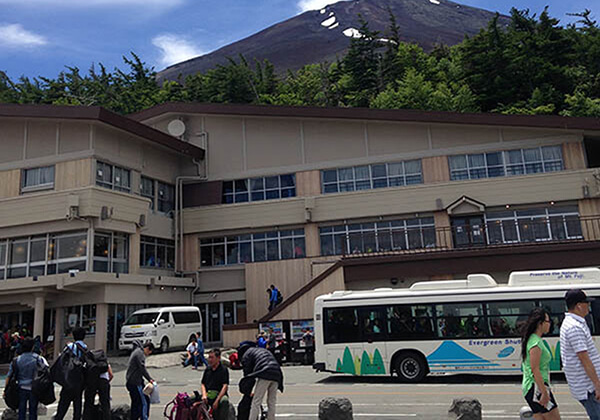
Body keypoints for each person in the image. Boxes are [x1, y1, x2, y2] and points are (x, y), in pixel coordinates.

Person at [560, 289, 600, 419]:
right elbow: (584, 359)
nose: (588, 306)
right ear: (579, 305)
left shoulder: (575, 324)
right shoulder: (574, 327)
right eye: (586, 303)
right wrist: (597, 385)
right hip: (588, 388)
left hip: (588, 386)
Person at [521, 308, 561, 419]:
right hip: (536, 387)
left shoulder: (533, 339)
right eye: (548, 321)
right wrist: (544, 392)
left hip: (532, 387)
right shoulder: (536, 343)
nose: (550, 324)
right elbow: (535, 369)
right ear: (540, 323)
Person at [3, 337, 49, 420]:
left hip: (21, 387)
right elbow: (46, 371)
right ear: (32, 347)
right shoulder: (38, 359)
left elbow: (9, 376)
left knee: (21, 409)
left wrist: (5, 390)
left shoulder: (17, 360)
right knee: (33, 410)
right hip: (34, 387)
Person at [238, 341, 284, 420]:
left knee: (256, 401)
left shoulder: (247, 355)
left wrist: (248, 390)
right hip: (277, 372)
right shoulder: (259, 350)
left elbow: (248, 375)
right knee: (271, 402)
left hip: (265, 372)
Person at [55, 327, 88, 420]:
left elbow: (62, 361)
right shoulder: (85, 348)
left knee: (63, 405)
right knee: (77, 405)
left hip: (68, 379)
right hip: (79, 380)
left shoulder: (70, 347)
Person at [126, 341, 155, 420]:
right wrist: (150, 379)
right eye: (149, 352)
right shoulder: (140, 353)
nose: (148, 354)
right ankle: (143, 418)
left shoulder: (136, 351)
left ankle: (134, 417)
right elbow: (142, 367)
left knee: (136, 403)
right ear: (147, 349)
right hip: (135, 382)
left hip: (132, 381)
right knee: (144, 402)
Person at [201, 349, 230, 420]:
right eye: (209, 357)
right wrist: (204, 395)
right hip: (208, 394)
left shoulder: (223, 370)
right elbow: (203, 383)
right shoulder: (208, 369)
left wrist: (217, 401)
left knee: (224, 401)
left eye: (212, 357)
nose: (209, 360)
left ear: (218, 358)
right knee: (191, 399)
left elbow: (225, 386)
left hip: (219, 395)